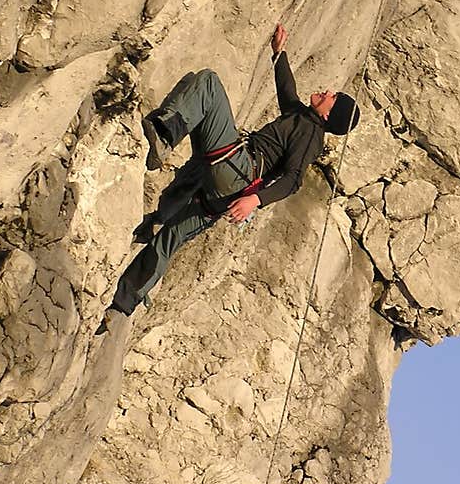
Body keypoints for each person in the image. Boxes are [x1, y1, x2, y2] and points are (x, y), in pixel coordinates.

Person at [101, 24, 359, 322]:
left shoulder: (310, 138)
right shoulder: (302, 120)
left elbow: (292, 181)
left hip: (237, 166)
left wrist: (256, 201)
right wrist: (279, 53)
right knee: (170, 235)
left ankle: (165, 135)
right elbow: (287, 92)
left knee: (207, 83)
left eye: (333, 96)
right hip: (225, 192)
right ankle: (121, 306)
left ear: (328, 115)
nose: (328, 91)